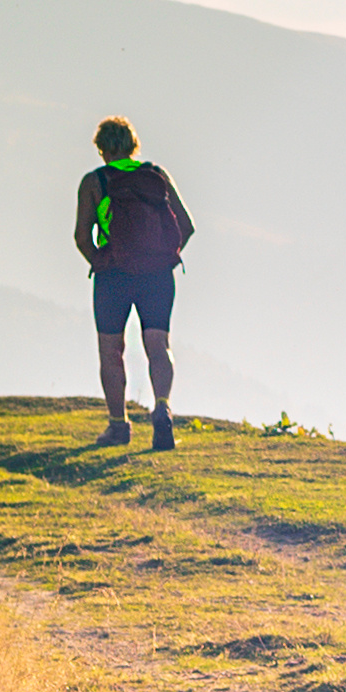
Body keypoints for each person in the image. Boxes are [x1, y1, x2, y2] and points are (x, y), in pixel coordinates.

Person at [73, 117, 195, 450]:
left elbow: (82, 236)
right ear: (133, 144)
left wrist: (102, 261)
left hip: (114, 276)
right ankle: (162, 407)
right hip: (157, 275)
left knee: (111, 350)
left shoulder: (95, 182)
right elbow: (186, 225)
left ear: (100, 148)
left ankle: (118, 426)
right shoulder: (156, 175)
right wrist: (165, 256)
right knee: (158, 344)